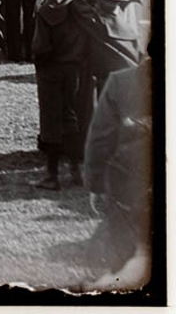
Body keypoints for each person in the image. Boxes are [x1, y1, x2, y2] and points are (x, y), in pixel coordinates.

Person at [84, 59, 152, 284]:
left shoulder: (120, 83)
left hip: (129, 188)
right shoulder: (120, 82)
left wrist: (97, 184)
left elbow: (101, 140)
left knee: (123, 260)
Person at [32, 0, 88, 190]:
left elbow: (40, 48)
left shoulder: (46, 11)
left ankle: (52, 175)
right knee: (71, 117)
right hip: (74, 69)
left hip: (51, 70)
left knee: (51, 122)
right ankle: (76, 170)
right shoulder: (79, 7)